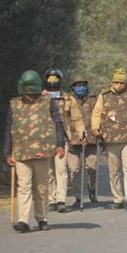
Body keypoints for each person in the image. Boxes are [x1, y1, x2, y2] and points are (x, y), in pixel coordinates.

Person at [4, 70, 66, 233]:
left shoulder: (48, 102)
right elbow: (9, 129)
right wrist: (7, 152)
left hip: (43, 151)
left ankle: (42, 218)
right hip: (21, 152)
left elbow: (58, 123)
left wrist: (60, 144)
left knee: (41, 186)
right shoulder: (14, 104)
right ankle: (23, 220)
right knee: (23, 186)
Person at [91, 68, 127, 211]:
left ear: (126, 83)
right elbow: (97, 113)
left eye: (122, 82)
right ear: (112, 82)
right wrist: (95, 127)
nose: (119, 85)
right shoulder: (104, 95)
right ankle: (117, 199)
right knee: (113, 171)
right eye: (116, 82)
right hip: (110, 139)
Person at [43, 68, 86, 213]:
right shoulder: (40, 98)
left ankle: (61, 200)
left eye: (55, 78)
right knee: (49, 172)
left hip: (62, 139)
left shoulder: (68, 98)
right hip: (44, 140)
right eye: (50, 78)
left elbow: (77, 119)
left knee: (61, 170)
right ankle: (52, 200)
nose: (52, 81)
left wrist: (82, 133)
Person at [67, 75, 99, 207]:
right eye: (78, 85)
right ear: (73, 88)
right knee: (74, 170)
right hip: (73, 140)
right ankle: (78, 197)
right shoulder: (68, 100)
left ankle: (92, 189)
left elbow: (98, 116)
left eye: (83, 85)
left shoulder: (93, 100)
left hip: (91, 139)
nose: (81, 88)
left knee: (92, 167)